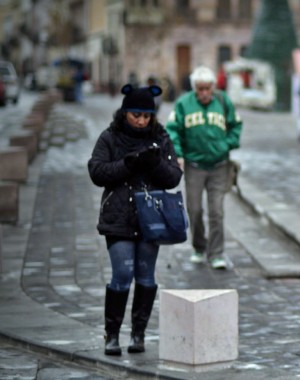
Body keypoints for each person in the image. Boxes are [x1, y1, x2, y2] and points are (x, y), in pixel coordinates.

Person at [88, 84, 183, 356]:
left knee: (146, 276)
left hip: (150, 217)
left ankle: (138, 333)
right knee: (122, 274)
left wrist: (154, 164)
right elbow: (96, 171)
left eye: (146, 116)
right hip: (118, 216)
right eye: (136, 115)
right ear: (125, 113)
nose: (141, 121)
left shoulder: (161, 137)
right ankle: (112, 334)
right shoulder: (110, 137)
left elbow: (174, 176)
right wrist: (127, 164)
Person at [165, 66, 243, 270]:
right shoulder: (183, 104)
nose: (205, 93)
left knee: (216, 211)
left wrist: (227, 144)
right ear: (194, 89)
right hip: (194, 166)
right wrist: (179, 154)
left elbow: (236, 125)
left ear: (213, 87)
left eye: (208, 88)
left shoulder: (223, 101)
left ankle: (216, 253)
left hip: (219, 165)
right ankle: (199, 246)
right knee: (195, 210)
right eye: (200, 89)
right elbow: (173, 130)